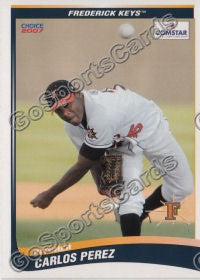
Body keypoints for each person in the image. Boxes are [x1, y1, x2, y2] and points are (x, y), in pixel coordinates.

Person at [30, 80, 194, 236]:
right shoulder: (73, 128)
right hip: (122, 144)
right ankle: (131, 253)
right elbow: (91, 159)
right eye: (58, 110)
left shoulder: (102, 113)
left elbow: (82, 165)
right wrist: (101, 183)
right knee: (129, 200)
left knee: (183, 187)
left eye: (67, 104)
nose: (65, 113)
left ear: (78, 94)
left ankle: (140, 214)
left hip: (151, 129)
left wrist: (49, 194)